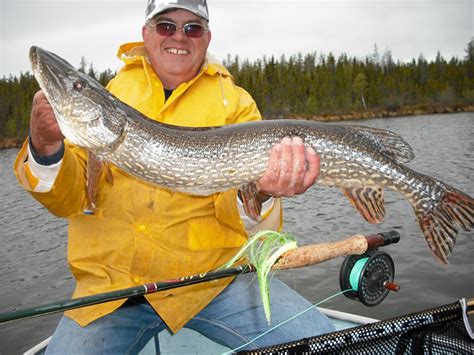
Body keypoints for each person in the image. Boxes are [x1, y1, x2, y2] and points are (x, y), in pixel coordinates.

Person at [14, 0, 335, 353]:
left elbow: (254, 225)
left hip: (215, 282)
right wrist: (44, 146)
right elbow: (69, 201)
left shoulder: (238, 105)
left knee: (326, 344)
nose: (179, 36)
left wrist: (264, 192)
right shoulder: (113, 97)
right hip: (111, 292)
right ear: (146, 34)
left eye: (192, 28)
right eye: (166, 25)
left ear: (207, 38)